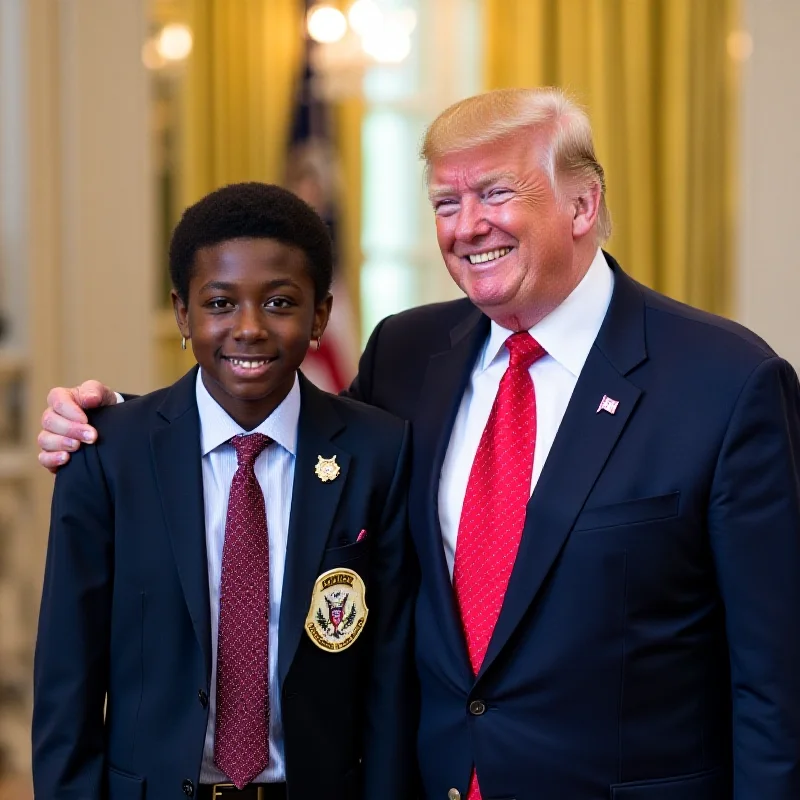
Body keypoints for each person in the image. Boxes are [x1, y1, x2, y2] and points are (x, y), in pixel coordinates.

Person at [38, 88, 800, 799]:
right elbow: (291, 444)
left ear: (582, 203)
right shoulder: (407, 355)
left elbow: (776, 678)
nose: (467, 225)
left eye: (496, 192)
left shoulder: (728, 384)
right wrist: (113, 422)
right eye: (446, 201)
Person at [32, 182, 417, 800]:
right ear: (183, 314)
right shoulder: (107, 454)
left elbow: (391, 678)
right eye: (219, 302)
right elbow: (66, 678)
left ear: (320, 315)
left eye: (280, 302)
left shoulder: (379, 453)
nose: (249, 328)